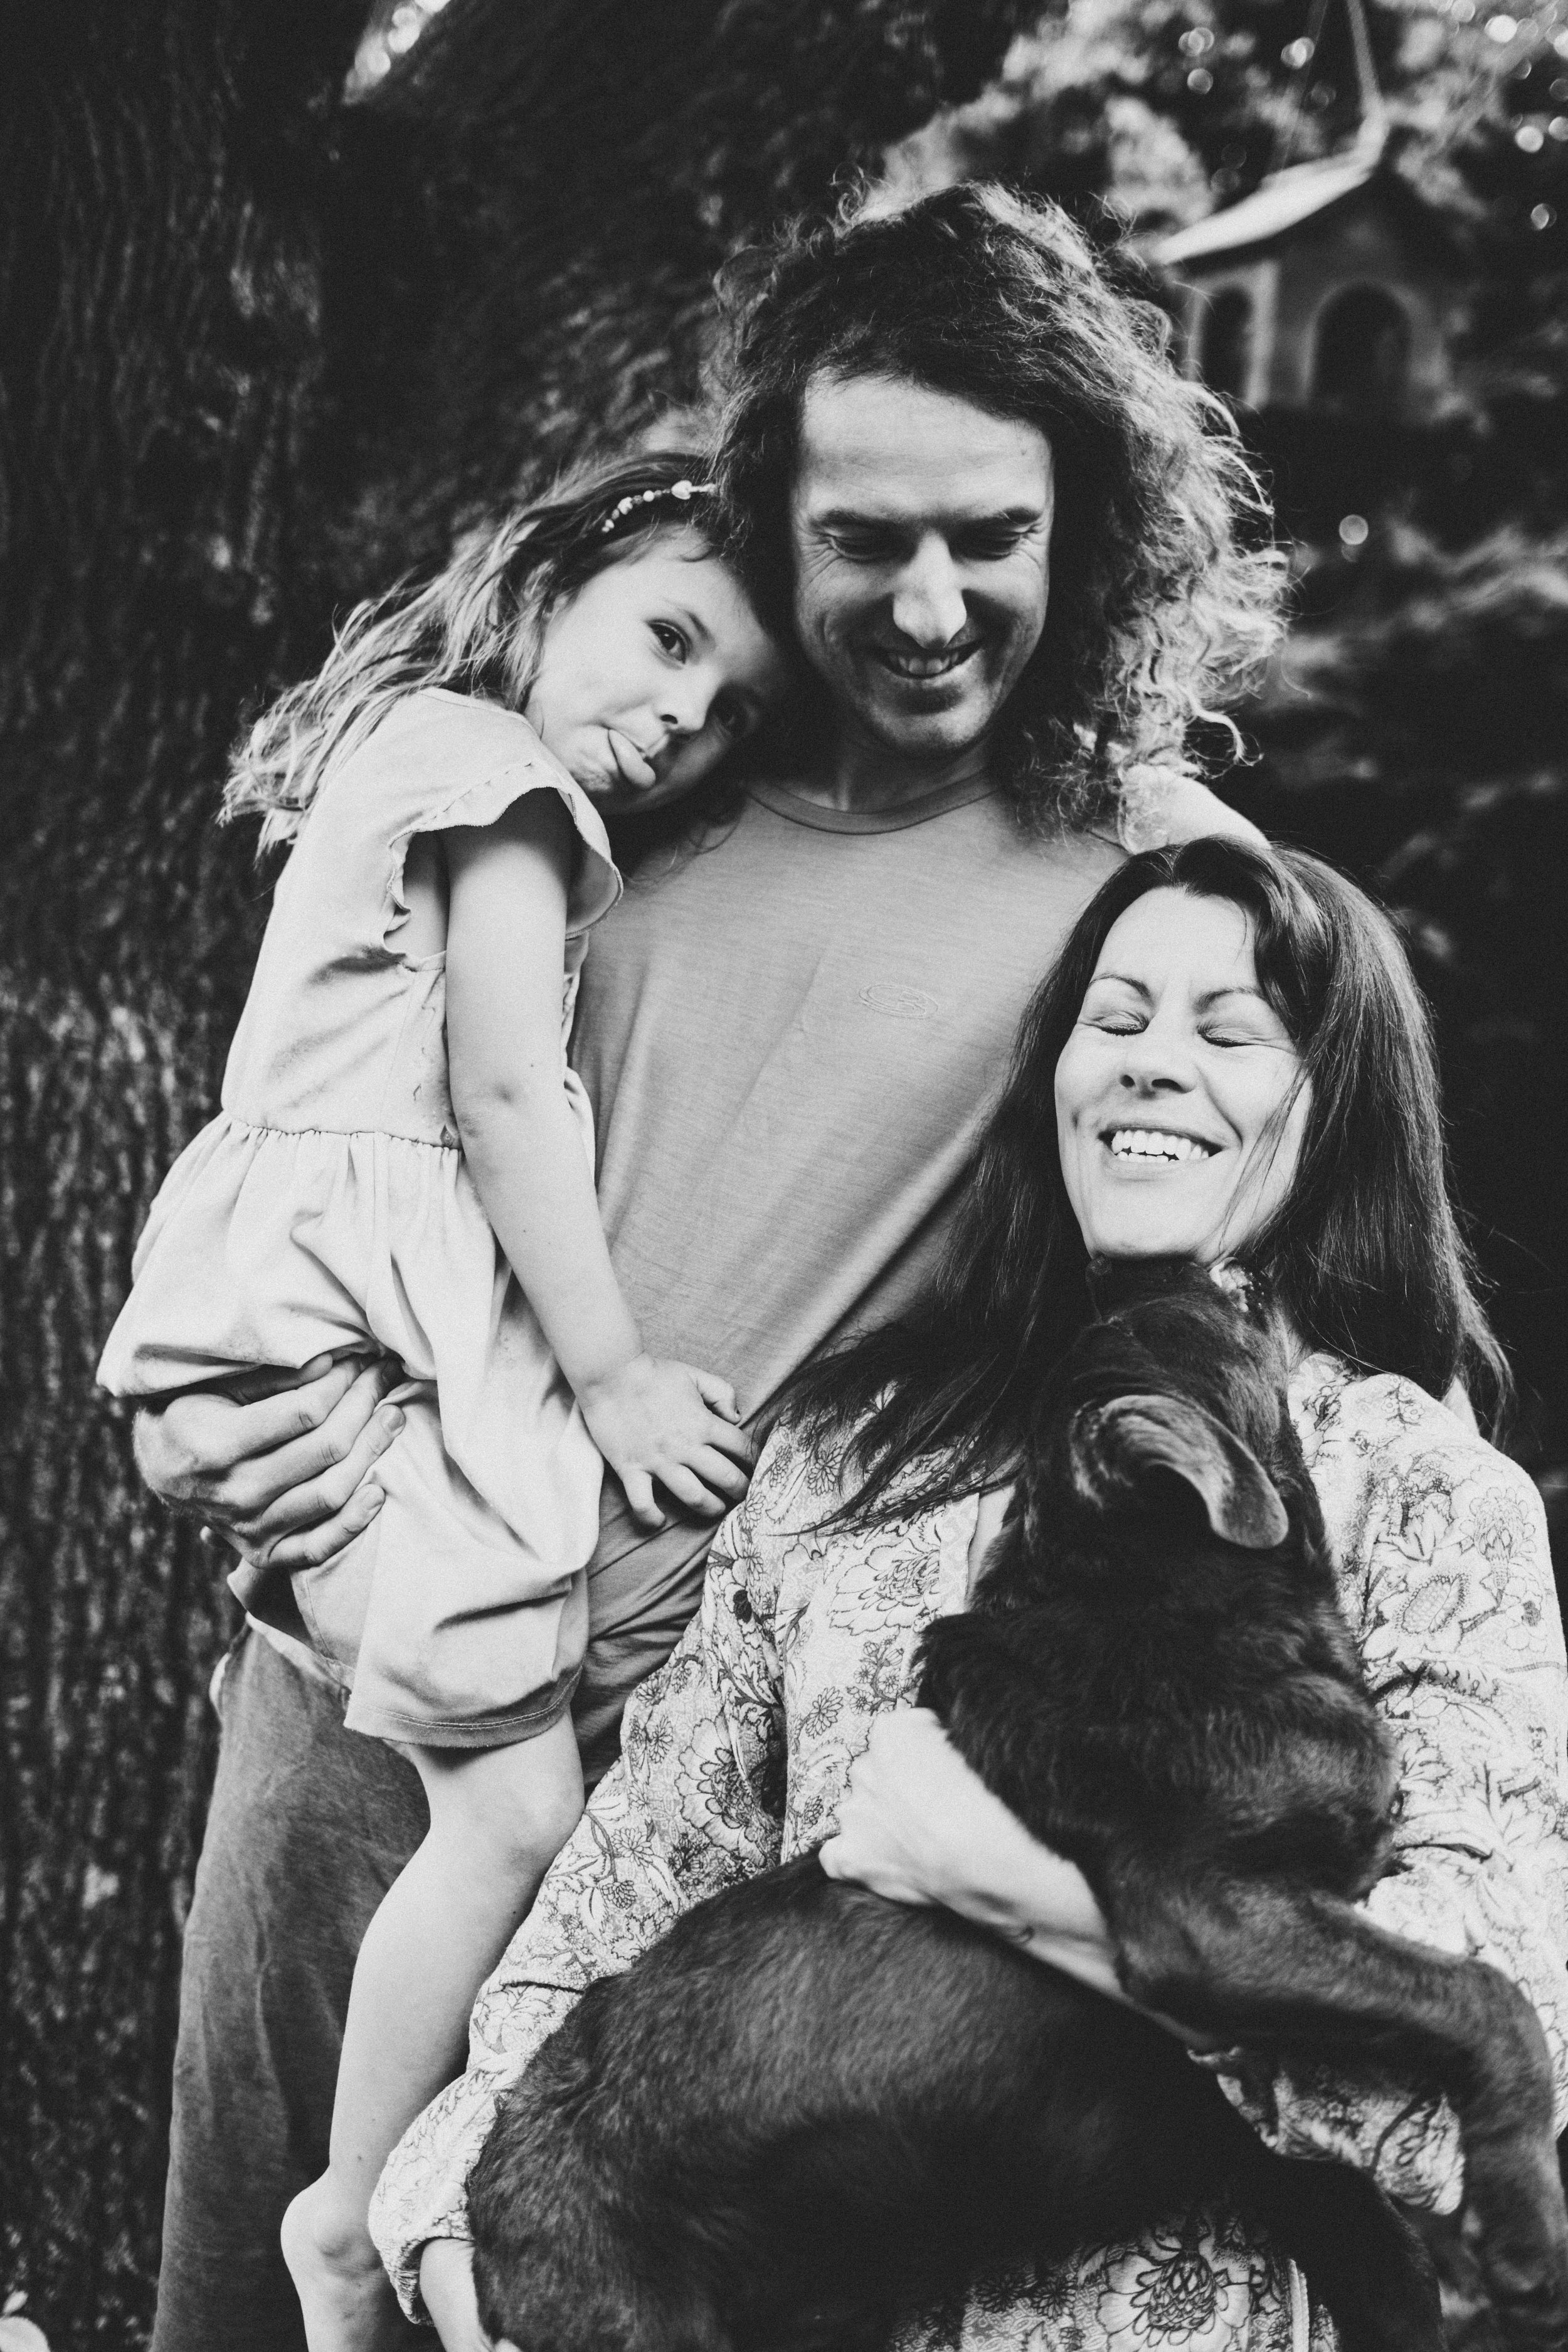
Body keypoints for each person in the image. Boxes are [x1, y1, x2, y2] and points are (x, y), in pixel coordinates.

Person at [132, 181, 1278, 2352]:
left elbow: (1263, 1339)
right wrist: (246, 1435)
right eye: (865, 540)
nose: (932, 603)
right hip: (365, 1723)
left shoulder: (1158, 883)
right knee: (265, 2304)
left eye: (994, 536)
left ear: (1089, 527)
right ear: (772, 523)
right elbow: (358, 1146)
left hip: (725, 1822)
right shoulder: (622, 786)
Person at [374, 840, 1568, 2351]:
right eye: (1113, 1018)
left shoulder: (1424, 1496)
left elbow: (1488, 2045)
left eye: (1224, 1032)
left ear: (1330, 1107)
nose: (1150, 1067)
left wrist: (1010, 1890)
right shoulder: (841, 1459)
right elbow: (601, 1926)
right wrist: (449, 2240)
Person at [99, 454, 783, 2349]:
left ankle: (353, 2204)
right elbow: (500, 1099)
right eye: (663, 641)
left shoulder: (415, 745)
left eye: (727, 706)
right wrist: (614, 1373)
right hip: (341, 1323)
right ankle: (353, 2210)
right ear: (554, 574)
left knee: (502, 1789)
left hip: (304, 1308)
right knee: (510, 1798)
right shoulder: (502, 789)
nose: (678, 719)